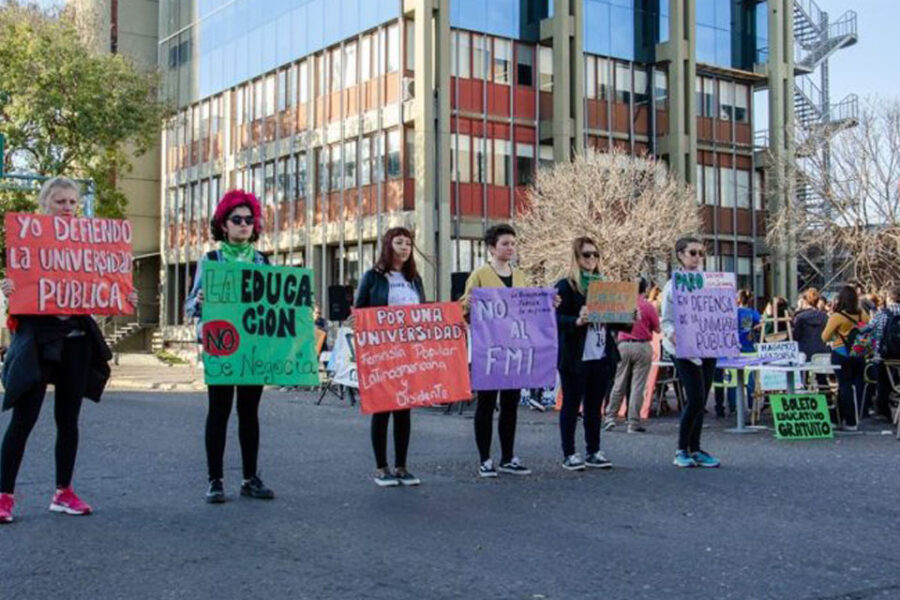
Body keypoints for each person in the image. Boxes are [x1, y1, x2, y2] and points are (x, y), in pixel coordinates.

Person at [0, 177, 130, 523]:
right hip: (39, 339)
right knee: (24, 419)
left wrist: (121, 295)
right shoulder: (27, 243)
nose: (69, 208)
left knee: (68, 420)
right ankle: (4, 495)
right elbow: (21, 292)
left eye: (73, 202)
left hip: (76, 342)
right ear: (45, 205)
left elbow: (101, 289)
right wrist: (8, 289)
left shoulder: (88, 248)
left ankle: (63, 492)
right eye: (60, 202)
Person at [185, 189, 276, 503]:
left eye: (249, 220)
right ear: (223, 224)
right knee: (219, 412)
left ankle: (250, 478)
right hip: (222, 346)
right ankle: (215, 480)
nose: (244, 225)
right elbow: (189, 305)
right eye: (237, 219)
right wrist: (198, 302)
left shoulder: (263, 261)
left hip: (253, 348)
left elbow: (274, 303)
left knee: (249, 413)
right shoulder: (211, 260)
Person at [353, 227, 425, 487]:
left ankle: (402, 466)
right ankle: (381, 467)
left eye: (408, 243)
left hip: (408, 352)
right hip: (382, 353)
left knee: (404, 409)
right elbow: (360, 311)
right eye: (399, 242)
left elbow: (424, 313)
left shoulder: (414, 279)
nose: (405, 247)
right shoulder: (372, 277)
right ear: (388, 245)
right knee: (382, 408)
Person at [460, 224, 532, 477]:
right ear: (492, 248)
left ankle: (508, 457)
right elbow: (463, 310)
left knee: (511, 404)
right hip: (488, 349)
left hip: (515, 348)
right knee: (487, 404)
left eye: (513, 243)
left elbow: (529, 308)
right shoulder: (479, 275)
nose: (510, 248)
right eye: (505, 243)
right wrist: (466, 304)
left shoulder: (521, 276)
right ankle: (485, 459)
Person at [553, 237, 631, 470]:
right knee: (571, 404)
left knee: (594, 405)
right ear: (576, 257)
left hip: (601, 354)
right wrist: (577, 320)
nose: (592, 259)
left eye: (595, 254)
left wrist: (629, 319)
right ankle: (569, 453)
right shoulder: (566, 285)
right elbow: (554, 319)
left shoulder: (604, 285)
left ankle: (593, 450)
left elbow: (614, 322)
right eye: (587, 255)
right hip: (575, 355)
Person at [661, 237, 721, 468]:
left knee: (702, 398)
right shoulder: (672, 285)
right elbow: (666, 320)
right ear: (680, 255)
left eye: (700, 253)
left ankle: (695, 448)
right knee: (695, 398)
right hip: (683, 348)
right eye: (693, 253)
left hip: (707, 346)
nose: (697, 258)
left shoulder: (710, 282)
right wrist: (673, 334)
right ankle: (680, 449)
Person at [605, 277, 660, 433]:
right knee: (637, 386)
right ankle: (633, 423)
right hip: (642, 346)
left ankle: (610, 417)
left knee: (618, 383)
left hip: (623, 345)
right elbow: (657, 329)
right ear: (645, 288)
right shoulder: (648, 306)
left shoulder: (622, 305)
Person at [821, 285, 870, 431]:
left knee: (844, 386)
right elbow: (867, 328)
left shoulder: (837, 317)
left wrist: (839, 333)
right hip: (859, 352)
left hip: (841, 353)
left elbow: (824, 337)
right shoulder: (862, 314)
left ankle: (849, 420)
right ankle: (841, 418)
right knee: (855, 385)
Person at [714, 289, 760, 418]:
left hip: (731, 348)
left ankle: (731, 406)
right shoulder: (752, 313)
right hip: (749, 348)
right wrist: (752, 329)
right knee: (750, 379)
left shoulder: (731, 312)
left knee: (731, 379)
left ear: (737, 300)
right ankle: (751, 406)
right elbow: (761, 323)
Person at [864, 286, 900, 419]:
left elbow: (869, 329)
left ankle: (885, 412)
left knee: (883, 383)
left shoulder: (882, 313)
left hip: (884, 356)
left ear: (889, 298)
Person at [792, 288, 829, 359]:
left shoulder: (800, 317)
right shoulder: (824, 316)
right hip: (821, 352)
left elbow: (796, 336)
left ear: (805, 301)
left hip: (803, 353)